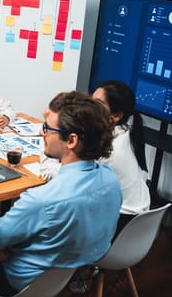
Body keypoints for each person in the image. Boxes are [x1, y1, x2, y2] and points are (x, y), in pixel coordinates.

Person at [0, 91, 122, 296]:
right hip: (70, 274)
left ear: (71, 140)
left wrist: (5, 247)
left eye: (47, 128)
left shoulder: (41, 200)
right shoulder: (110, 179)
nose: (42, 132)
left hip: (20, 283)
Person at [40, 80, 150, 234]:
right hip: (137, 225)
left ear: (116, 116)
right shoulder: (126, 134)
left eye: (97, 103)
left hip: (117, 225)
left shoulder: (107, 147)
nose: (90, 107)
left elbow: (50, 173)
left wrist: (47, 137)